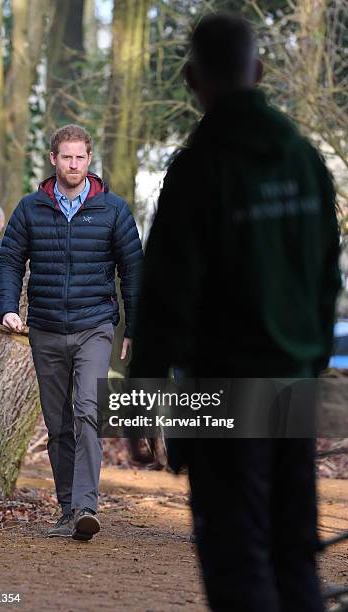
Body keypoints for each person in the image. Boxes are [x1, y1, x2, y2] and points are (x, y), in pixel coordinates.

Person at [130, 12, 340, 612]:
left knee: (239, 561)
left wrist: (143, 405)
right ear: (261, 69)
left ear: (192, 79)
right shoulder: (304, 161)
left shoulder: (197, 171)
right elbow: (326, 279)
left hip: (221, 391)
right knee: (294, 556)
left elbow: (164, 299)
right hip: (293, 385)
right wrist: (310, 364)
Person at [0, 124, 143, 541]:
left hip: (94, 325)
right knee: (59, 423)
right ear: (53, 160)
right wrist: (7, 307)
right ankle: (66, 509)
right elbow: (9, 261)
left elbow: (133, 270)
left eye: (80, 157)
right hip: (43, 328)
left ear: (89, 160)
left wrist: (135, 325)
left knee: (87, 412)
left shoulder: (113, 209)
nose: (73, 164)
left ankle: (86, 506)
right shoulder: (30, 209)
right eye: (67, 157)